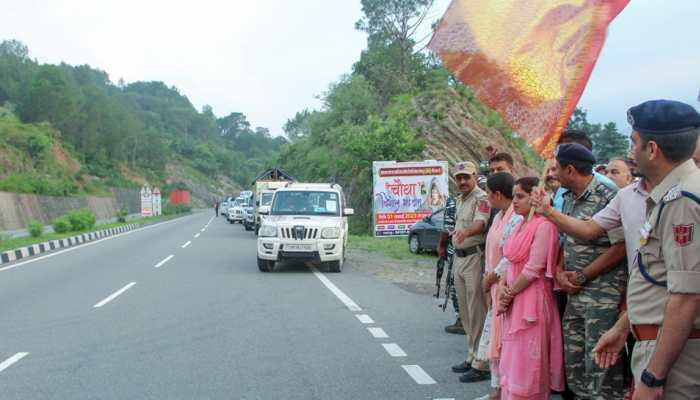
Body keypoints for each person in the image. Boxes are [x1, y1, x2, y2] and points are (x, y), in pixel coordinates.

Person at [590, 100, 700, 399]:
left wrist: (653, 377)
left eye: (634, 142)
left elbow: (686, 297)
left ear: (652, 149)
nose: (630, 151)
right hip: (664, 345)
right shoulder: (672, 194)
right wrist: (624, 327)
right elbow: (660, 281)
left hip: (676, 357)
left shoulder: (683, 201)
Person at [554, 143, 628, 399]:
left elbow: (621, 247)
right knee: (575, 368)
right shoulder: (567, 198)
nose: (553, 174)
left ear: (570, 170)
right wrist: (560, 271)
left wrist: (585, 274)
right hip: (574, 293)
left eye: (557, 169)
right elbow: (567, 239)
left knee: (601, 371)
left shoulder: (609, 196)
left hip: (602, 295)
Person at [497, 177, 565, 399]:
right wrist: (503, 286)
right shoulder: (519, 224)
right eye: (514, 196)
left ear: (535, 198)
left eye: (520, 196)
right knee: (513, 356)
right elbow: (509, 259)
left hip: (532, 300)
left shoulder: (544, 225)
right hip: (515, 295)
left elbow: (534, 268)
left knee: (529, 362)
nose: (514, 201)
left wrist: (509, 293)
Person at [471, 172, 522, 397]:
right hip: (492, 284)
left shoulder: (516, 217)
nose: (487, 198)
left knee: (503, 341)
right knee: (495, 339)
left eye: (489, 194)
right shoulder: (499, 214)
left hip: (504, 284)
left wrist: (491, 277)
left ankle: (502, 389)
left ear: (498, 194)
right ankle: (496, 388)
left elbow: (510, 255)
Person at [443, 161, 491, 382]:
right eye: (459, 177)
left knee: (476, 311)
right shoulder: (460, 199)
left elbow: (480, 224)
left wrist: (464, 232)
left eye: (466, 177)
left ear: (475, 176)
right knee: (464, 311)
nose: (462, 181)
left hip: (474, 257)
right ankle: (471, 356)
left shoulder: (481, 198)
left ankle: (481, 361)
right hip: (460, 258)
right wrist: (455, 234)